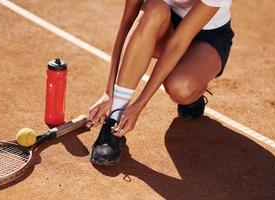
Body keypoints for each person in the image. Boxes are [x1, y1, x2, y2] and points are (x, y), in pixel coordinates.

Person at [88, 0, 234, 165]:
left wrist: (139, 105)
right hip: (165, 27)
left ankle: (195, 85)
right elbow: (128, 23)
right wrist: (109, 93)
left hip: (207, 36)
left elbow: (178, 44)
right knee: (153, 9)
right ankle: (115, 119)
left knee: (181, 87)